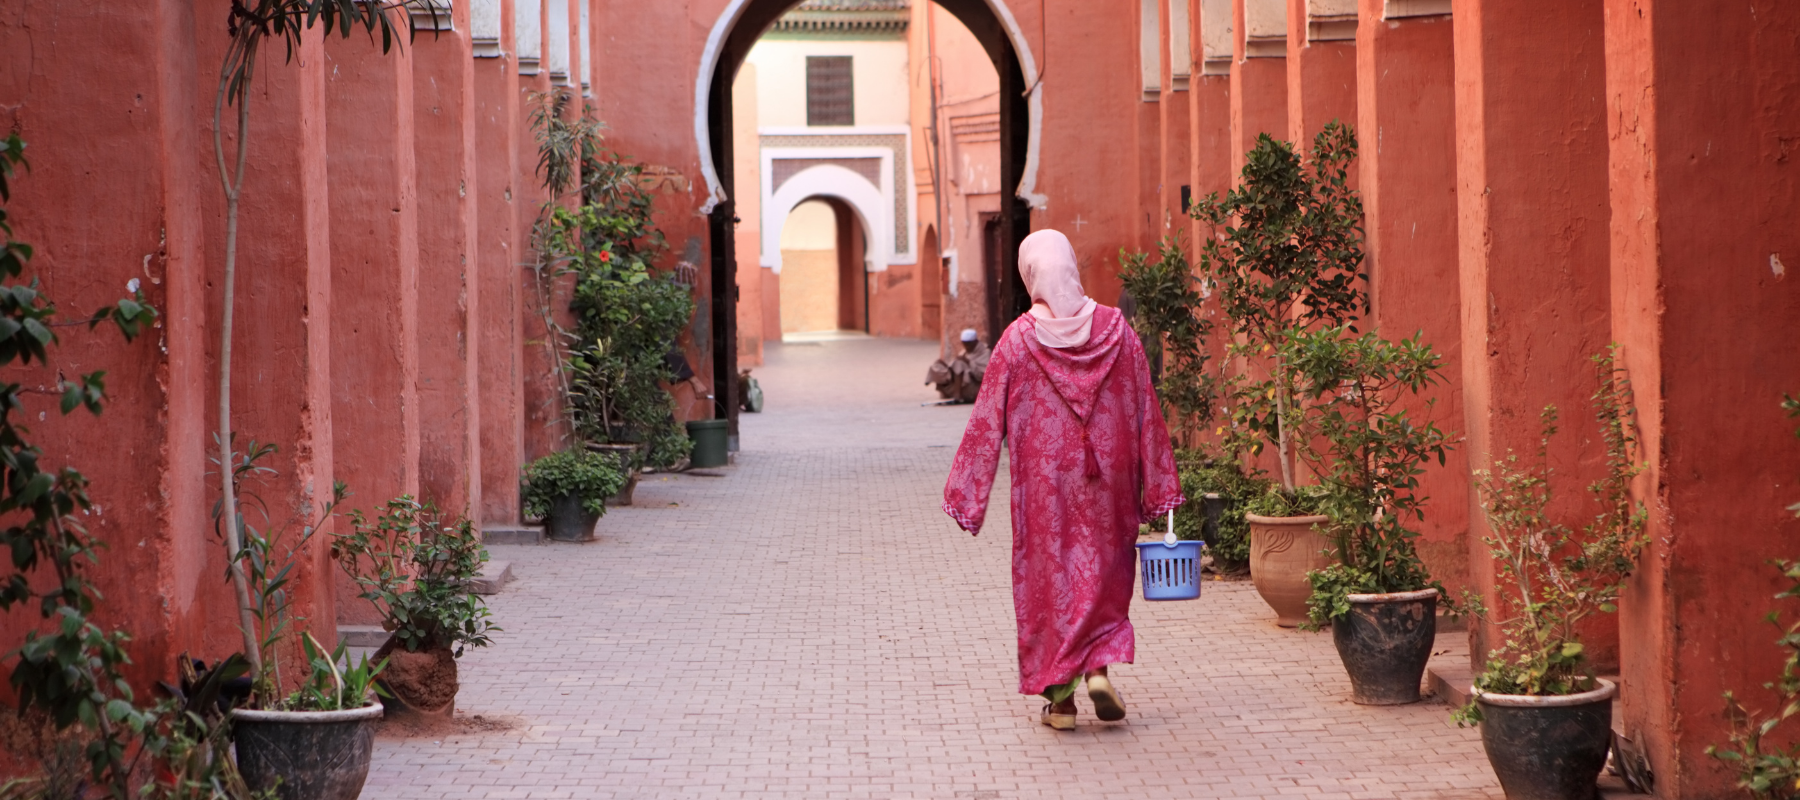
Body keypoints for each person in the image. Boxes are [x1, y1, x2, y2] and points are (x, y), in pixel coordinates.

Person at [941, 229, 1182, 731]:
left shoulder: (1017, 341)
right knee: (1102, 570)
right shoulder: (1118, 330)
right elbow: (1145, 410)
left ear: (1033, 276)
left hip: (1045, 487)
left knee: (1050, 582)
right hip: (1109, 483)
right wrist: (1159, 486)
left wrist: (968, 495)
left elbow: (987, 420)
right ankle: (1097, 667)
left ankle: (1062, 702)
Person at [925, 329, 991, 403]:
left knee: (959, 363)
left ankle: (957, 395)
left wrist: (968, 362)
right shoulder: (964, 352)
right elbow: (955, 367)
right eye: (964, 343)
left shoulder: (985, 353)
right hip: (962, 382)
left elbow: (983, 375)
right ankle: (947, 391)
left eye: (969, 344)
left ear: (975, 342)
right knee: (938, 364)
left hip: (974, 385)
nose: (967, 346)